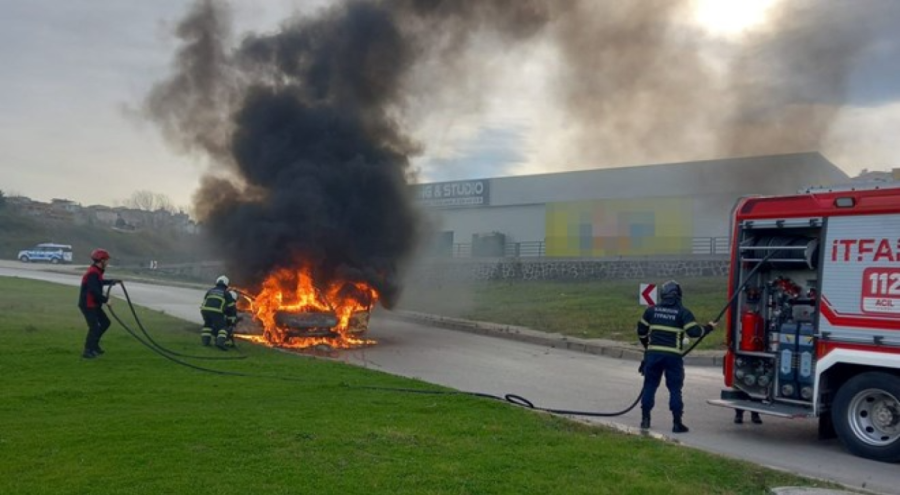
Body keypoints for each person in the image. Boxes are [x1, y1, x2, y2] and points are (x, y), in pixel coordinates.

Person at [636, 280, 715, 433]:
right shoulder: (683, 312)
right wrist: (709, 327)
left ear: (662, 295)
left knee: (650, 386)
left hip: (653, 356)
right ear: (678, 295)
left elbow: (641, 331)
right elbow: (694, 332)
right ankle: (677, 423)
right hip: (673, 357)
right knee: (674, 389)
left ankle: (645, 420)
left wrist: (648, 348)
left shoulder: (651, 311)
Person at [78, 248, 121, 359]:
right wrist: (106, 300)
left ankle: (94, 346)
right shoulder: (93, 273)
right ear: (101, 260)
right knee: (94, 327)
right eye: (106, 260)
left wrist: (112, 281)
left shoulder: (96, 271)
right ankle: (87, 350)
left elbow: (99, 282)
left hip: (94, 304)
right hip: (88, 305)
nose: (107, 262)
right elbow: (94, 290)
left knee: (105, 323)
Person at [200, 275, 237, 350]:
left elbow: (205, 300)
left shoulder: (210, 290)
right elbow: (232, 307)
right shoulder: (226, 293)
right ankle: (220, 343)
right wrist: (231, 321)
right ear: (226, 284)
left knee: (207, 325)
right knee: (223, 327)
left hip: (204, 310)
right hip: (216, 311)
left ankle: (205, 342)